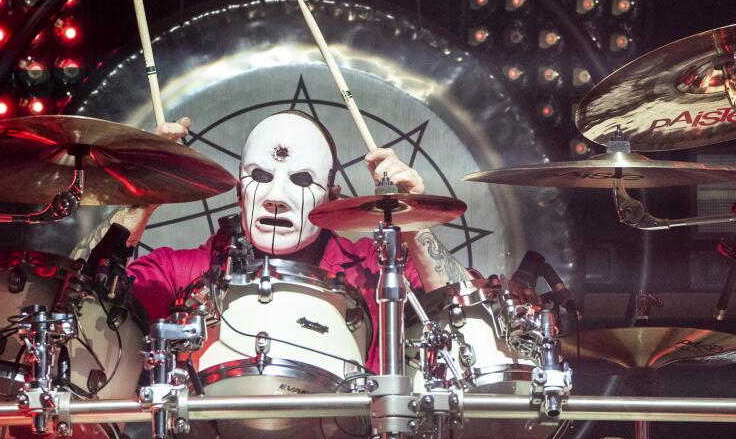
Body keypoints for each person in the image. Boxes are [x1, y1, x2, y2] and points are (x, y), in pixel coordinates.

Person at [74, 110, 472, 369]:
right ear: (240, 191)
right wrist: (137, 199)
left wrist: (416, 225)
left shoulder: (374, 271)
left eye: (301, 180)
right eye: (261, 177)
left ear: (333, 198)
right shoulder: (180, 273)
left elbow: (472, 326)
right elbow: (77, 304)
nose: (277, 197)